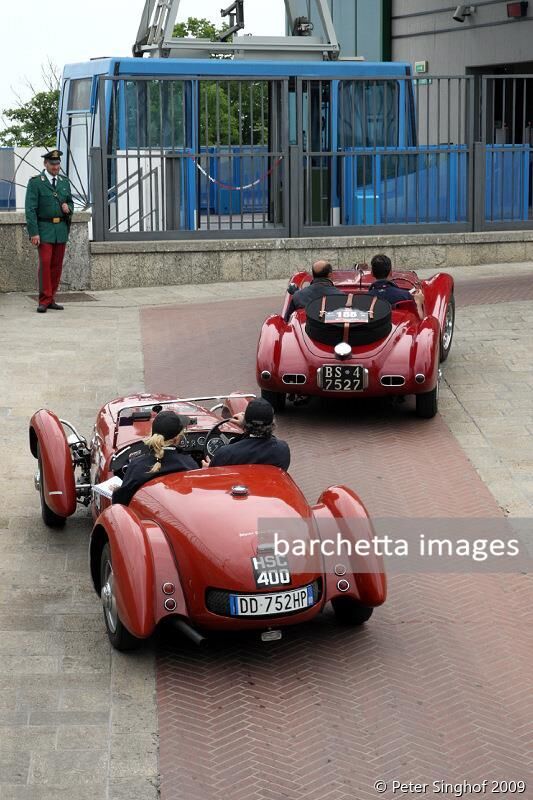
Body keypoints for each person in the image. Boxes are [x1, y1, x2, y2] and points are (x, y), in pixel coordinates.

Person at [112, 411, 197, 506]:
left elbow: (120, 502)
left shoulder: (137, 466)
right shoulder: (190, 464)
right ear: (177, 439)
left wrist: (116, 491)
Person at [25, 149, 74, 313]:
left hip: (60, 229)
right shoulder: (36, 182)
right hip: (44, 229)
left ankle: (51, 297)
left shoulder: (64, 182)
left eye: (58, 163)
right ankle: (44, 300)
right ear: (45, 164)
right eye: (52, 164)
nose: (56, 167)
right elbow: (30, 209)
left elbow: (70, 203)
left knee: (56, 266)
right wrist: (34, 232)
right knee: (45, 264)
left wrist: (68, 208)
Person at [202, 398, 290, 471]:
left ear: (246, 422)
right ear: (272, 424)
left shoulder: (226, 453)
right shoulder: (282, 449)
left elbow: (215, 477)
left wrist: (209, 469)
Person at [367, 254, 424, 318]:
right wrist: (418, 303)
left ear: (372, 273)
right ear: (390, 272)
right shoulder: (406, 296)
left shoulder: (365, 300)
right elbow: (419, 320)